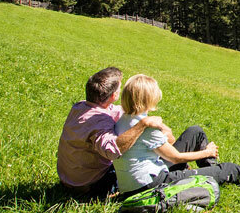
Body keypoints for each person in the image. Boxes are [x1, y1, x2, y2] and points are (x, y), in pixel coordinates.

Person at [113, 74, 240, 195]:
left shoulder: (124, 118)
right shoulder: (147, 127)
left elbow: (169, 147)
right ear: (148, 98)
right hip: (151, 185)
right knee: (232, 168)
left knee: (195, 132)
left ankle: (213, 174)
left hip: (137, 180)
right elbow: (175, 157)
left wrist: (166, 131)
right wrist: (207, 152)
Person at [56, 66, 166, 197]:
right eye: (120, 89)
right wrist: (142, 124)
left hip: (69, 179)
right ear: (114, 95)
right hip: (89, 186)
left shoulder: (80, 106)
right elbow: (112, 151)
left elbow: (115, 110)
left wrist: (134, 106)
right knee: (137, 159)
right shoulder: (100, 122)